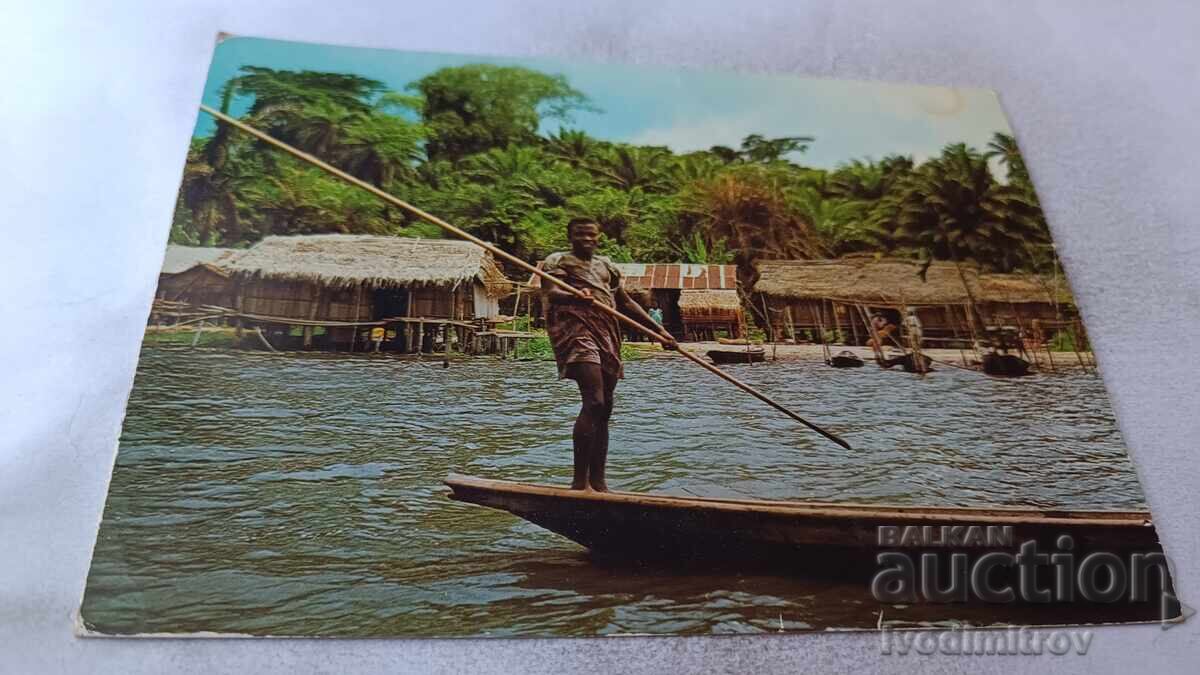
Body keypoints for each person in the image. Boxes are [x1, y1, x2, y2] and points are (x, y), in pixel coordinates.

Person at [542, 218, 677, 492]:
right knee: (594, 400)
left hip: (607, 332)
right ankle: (579, 483)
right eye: (580, 234)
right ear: (570, 236)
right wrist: (576, 297)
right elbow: (551, 293)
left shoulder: (606, 266)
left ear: (599, 237)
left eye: (591, 235)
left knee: (605, 408)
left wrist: (659, 331)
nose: (586, 239)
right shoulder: (558, 261)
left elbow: (625, 302)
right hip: (577, 330)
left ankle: (599, 482)